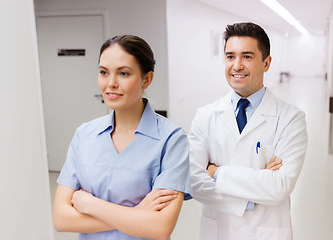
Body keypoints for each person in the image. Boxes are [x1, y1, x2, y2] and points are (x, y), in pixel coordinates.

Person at [52, 35, 192, 240]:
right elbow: (61, 219)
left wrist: (90, 205)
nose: (111, 83)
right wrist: (137, 214)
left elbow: (160, 228)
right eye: (103, 72)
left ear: (147, 79)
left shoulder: (171, 139)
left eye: (123, 73)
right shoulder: (85, 134)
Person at [189, 22, 308, 240]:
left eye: (247, 56)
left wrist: (216, 173)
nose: (237, 65)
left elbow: (279, 187)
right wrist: (254, 192)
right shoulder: (205, 116)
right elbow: (195, 183)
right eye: (230, 56)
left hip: (266, 232)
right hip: (217, 231)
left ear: (266, 63)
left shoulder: (291, 119)